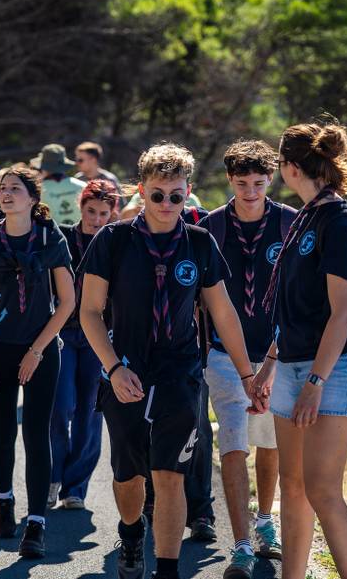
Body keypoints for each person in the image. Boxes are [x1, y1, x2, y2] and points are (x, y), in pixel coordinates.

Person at [79, 143, 255, 579]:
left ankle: (169, 570)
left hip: (179, 372)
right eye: (157, 194)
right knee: (130, 477)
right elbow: (89, 312)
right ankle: (132, 532)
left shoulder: (198, 242)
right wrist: (114, 368)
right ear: (141, 191)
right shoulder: (114, 241)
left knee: (170, 473)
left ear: (188, 193)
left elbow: (223, 312)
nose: (166, 204)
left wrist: (248, 373)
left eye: (176, 195)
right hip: (126, 369)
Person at [255, 123, 347, 579]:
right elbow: (296, 311)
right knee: (295, 485)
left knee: (323, 490)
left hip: (335, 369)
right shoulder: (304, 216)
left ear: (288, 167)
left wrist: (314, 384)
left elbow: (342, 313)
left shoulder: (341, 222)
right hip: (291, 364)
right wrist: (269, 365)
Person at [0, 167, 75, 558]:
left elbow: (68, 302)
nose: (7, 194)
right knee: (1, 432)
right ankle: (4, 501)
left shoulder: (51, 237)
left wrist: (36, 351)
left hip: (41, 348)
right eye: (3, 189)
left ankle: (36, 524)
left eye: (16, 189)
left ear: (33, 197)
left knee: (35, 433)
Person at [200, 140, 294, 578]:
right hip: (223, 354)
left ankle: (265, 523)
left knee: (269, 441)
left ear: (271, 179)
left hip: (277, 353)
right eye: (242, 184)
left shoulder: (291, 224)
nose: (251, 192)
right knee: (233, 442)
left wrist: (271, 364)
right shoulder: (211, 227)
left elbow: (297, 300)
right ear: (229, 181)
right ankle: (239, 545)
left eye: (259, 183)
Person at [49, 179, 118, 511]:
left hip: (97, 335)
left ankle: (75, 486)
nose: (97, 219)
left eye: (104, 213)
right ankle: (52, 476)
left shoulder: (115, 241)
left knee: (91, 410)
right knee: (60, 406)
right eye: (91, 211)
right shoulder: (63, 236)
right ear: (81, 207)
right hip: (62, 332)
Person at [31, 144, 85, 226]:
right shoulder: (83, 186)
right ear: (63, 165)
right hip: (81, 236)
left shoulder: (37, 190)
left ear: (43, 166)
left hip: (51, 237)